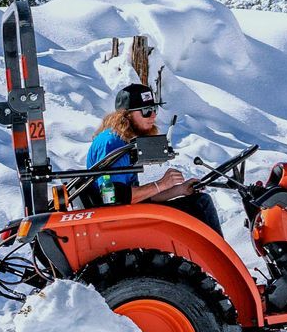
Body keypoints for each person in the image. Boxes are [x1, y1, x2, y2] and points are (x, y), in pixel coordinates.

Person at [86, 83, 221, 231]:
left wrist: (179, 190)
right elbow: (116, 198)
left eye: (154, 109)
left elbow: (139, 197)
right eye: (146, 111)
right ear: (126, 115)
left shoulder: (124, 140)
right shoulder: (112, 143)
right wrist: (161, 184)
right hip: (118, 223)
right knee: (201, 204)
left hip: (128, 214)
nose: (153, 115)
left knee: (197, 201)